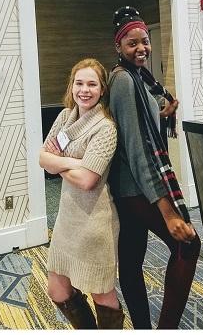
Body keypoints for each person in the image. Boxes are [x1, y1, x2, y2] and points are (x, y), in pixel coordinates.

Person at [107, 6, 200, 329]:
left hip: (129, 187)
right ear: (118, 46)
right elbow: (137, 148)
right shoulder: (123, 81)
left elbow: (138, 128)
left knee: (131, 262)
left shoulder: (138, 78)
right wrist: (167, 210)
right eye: (131, 43)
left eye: (144, 41)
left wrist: (162, 114)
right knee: (188, 243)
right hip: (136, 188)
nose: (141, 48)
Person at [38, 58, 123, 329]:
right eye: (79, 83)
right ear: (71, 86)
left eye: (92, 84)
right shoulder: (65, 116)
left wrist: (59, 162)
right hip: (67, 220)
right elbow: (42, 159)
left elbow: (87, 180)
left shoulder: (105, 127)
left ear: (102, 90)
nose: (84, 90)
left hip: (94, 222)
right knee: (57, 290)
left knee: (101, 293)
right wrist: (75, 163)